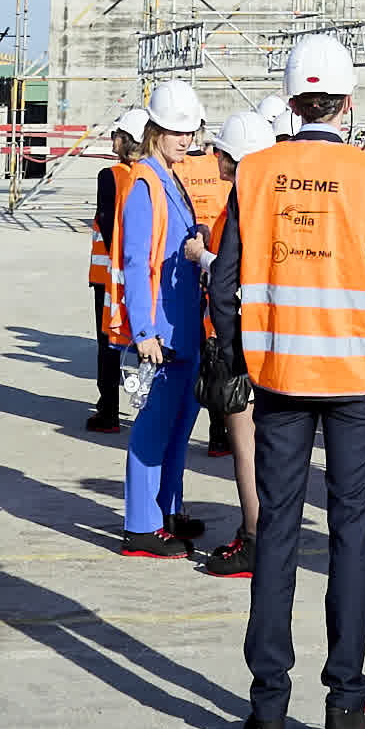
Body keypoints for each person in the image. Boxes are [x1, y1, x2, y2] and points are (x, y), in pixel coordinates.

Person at [213, 34, 365, 729]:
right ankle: (345, 712)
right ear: (348, 102)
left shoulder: (256, 172)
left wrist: (236, 357)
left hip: (279, 377)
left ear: (292, 102)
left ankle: (266, 714)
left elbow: (225, 283)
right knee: (351, 534)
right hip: (355, 378)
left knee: (278, 532)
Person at [110, 82, 220, 557]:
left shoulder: (173, 178)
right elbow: (135, 262)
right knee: (154, 426)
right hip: (161, 328)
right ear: (155, 129)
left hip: (185, 324)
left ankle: (167, 511)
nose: (183, 138)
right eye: (174, 130)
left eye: (188, 130)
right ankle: (140, 524)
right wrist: (145, 331)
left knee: (179, 425)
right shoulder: (144, 182)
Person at [190, 102, 273, 580]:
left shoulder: (242, 203)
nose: (213, 159)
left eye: (220, 152)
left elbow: (231, 278)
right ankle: (271, 531)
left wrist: (203, 256)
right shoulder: (274, 199)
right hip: (278, 338)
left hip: (241, 339)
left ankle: (256, 537)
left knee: (246, 447)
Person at [87, 117, 137, 433]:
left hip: (108, 275)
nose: (112, 139)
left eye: (116, 134)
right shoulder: (153, 175)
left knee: (108, 343)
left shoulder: (110, 176)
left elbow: (106, 223)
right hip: (142, 273)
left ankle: (109, 410)